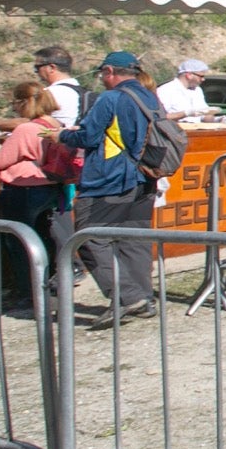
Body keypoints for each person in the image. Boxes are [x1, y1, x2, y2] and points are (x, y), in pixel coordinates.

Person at [50, 51, 160, 328]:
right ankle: (143, 299)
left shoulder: (109, 98)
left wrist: (61, 135)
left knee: (89, 238)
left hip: (108, 180)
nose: (101, 79)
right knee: (134, 242)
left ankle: (129, 297)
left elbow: (88, 137)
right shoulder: (149, 96)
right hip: (144, 178)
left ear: (110, 71)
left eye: (102, 74)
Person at [0, 82, 69, 306]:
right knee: (42, 237)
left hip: (23, 188)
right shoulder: (54, 124)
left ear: (24, 102)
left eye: (15, 103)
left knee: (19, 241)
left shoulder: (25, 129)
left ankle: (26, 291)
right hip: (49, 186)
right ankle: (47, 282)